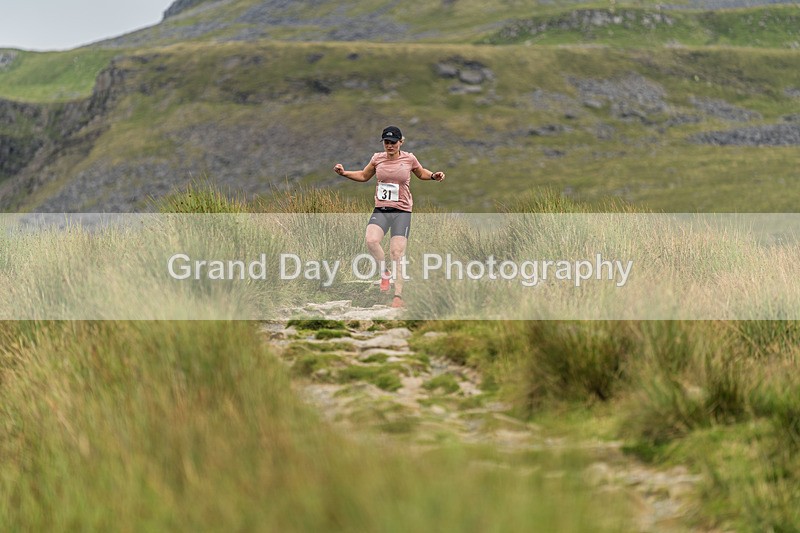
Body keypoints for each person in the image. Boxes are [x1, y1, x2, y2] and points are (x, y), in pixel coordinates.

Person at [334, 125, 445, 308]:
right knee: (371, 240)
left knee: (397, 253)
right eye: (387, 142)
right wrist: (344, 173)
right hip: (382, 209)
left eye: (393, 142)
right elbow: (363, 175)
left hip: (401, 212)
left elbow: (420, 173)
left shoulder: (409, 158)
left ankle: (398, 296)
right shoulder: (377, 158)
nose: (390, 145)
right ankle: (384, 273)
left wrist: (433, 175)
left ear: (401, 142)